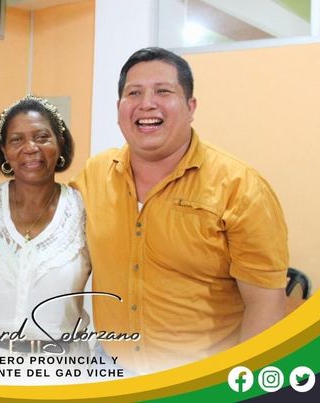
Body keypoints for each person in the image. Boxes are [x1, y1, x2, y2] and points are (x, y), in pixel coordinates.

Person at [70, 47, 289, 374]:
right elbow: (45, 221)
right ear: (119, 109)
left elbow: (266, 308)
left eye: (163, 91)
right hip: (110, 366)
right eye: (134, 93)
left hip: (200, 378)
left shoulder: (240, 188)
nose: (147, 103)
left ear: (190, 107)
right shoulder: (94, 174)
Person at [0, 95, 92, 384]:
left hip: (63, 374)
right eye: (16, 140)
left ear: (60, 144)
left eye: (42, 137)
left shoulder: (83, 209)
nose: (30, 148)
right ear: (4, 151)